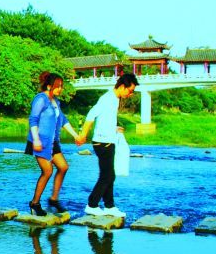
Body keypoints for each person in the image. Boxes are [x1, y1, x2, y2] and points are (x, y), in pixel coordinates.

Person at [78, 73, 138, 217]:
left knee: (109, 175)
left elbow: (106, 119)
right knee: (107, 175)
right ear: (123, 86)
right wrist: (82, 135)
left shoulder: (115, 99)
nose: (130, 94)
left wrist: (114, 128)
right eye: (130, 91)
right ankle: (92, 204)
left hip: (108, 140)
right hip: (102, 142)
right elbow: (91, 115)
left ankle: (109, 207)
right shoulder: (107, 99)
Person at [26, 72, 85, 216]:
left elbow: (63, 120)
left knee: (63, 167)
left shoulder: (56, 102)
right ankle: (35, 203)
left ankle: (53, 199)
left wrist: (76, 136)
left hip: (53, 142)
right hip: (39, 141)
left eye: (61, 86)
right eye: (57, 86)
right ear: (49, 86)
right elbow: (33, 120)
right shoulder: (40, 99)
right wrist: (36, 140)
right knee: (47, 171)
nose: (60, 89)